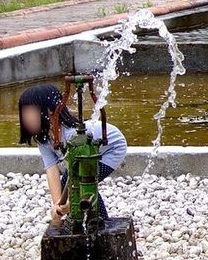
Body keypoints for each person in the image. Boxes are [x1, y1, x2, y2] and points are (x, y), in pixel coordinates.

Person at [18, 84, 128, 224]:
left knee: (84, 182)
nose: (26, 118)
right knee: (73, 181)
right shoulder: (44, 140)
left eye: (30, 112)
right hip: (86, 157)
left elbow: (74, 176)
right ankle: (80, 220)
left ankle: (101, 222)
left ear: (51, 111)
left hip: (112, 149)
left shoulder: (72, 135)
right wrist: (57, 205)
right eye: (23, 112)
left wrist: (67, 203)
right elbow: (51, 170)